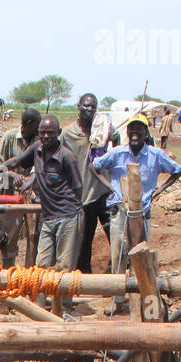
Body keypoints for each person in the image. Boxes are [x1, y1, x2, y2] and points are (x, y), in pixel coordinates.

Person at [92, 114, 181, 313]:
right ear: (127, 132)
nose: (135, 133)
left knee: (141, 257)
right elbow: (95, 166)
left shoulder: (155, 155)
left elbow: (177, 170)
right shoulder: (117, 153)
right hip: (120, 211)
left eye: (139, 129)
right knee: (118, 257)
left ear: (145, 132)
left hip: (142, 214)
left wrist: (157, 192)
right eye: (132, 129)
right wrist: (111, 188)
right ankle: (117, 301)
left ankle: (140, 301)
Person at [3, 115, 83, 302]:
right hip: (49, 217)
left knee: (64, 266)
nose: (46, 136)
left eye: (50, 133)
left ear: (59, 134)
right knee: (41, 263)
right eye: (42, 133)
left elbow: (78, 188)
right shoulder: (37, 151)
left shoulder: (66, 157)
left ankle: (63, 308)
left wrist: (66, 206)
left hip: (68, 216)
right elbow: (17, 161)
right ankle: (38, 307)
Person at [61, 94, 117, 274]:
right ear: (79, 106)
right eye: (86, 106)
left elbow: (116, 138)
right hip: (83, 194)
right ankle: (85, 280)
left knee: (115, 233)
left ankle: (118, 273)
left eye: (93, 106)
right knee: (84, 239)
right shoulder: (68, 133)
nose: (89, 110)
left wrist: (113, 159)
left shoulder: (102, 126)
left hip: (104, 189)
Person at [0, 107, 40, 266]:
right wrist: (13, 176)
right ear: (29, 124)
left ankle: (30, 276)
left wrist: (30, 178)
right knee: (8, 238)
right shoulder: (9, 137)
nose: (40, 128)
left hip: (32, 196)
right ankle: (8, 274)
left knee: (34, 236)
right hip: (10, 196)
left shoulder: (38, 140)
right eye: (37, 124)